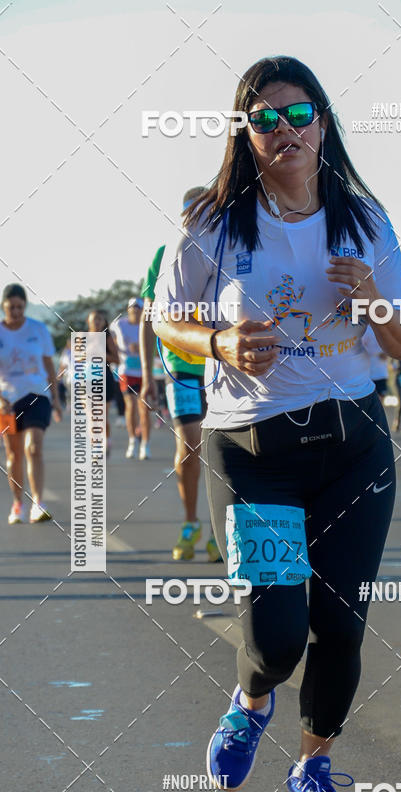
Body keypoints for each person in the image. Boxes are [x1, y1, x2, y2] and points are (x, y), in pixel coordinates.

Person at [154, 55, 401, 792]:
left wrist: (369, 297)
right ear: (246, 134)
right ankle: (252, 696)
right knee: (276, 638)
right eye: (264, 120)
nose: (284, 131)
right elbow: (167, 317)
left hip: (354, 447)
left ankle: (314, 769)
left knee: (339, 621)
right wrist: (220, 344)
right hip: (253, 453)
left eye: (298, 115)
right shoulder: (214, 220)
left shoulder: (364, 220)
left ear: (323, 125)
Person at [139, 187, 221, 562]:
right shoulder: (164, 255)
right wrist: (145, 373)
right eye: (190, 214)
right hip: (182, 368)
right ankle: (191, 523)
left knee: (225, 451)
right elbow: (147, 320)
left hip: (223, 367)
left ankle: (223, 529)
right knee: (189, 446)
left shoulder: (229, 247)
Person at [0, 283, 61, 523]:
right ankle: (17, 504)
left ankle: (38, 502)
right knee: (13, 455)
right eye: (11, 307)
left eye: (20, 307)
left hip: (37, 395)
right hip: (7, 401)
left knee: (33, 448)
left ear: (25, 306)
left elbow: (48, 365)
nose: (15, 311)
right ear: (4, 306)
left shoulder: (38, 329)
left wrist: (56, 398)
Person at [111, 298, 151, 459]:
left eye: (138, 308)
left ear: (142, 310)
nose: (134, 311)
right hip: (126, 371)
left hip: (145, 372)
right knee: (131, 406)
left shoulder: (148, 325)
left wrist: (142, 348)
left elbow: (156, 344)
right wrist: (117, 352)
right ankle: (133, 441)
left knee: (144, 409)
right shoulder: (119, 324)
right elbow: (109, 340)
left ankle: (145, 444)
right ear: (128, 310)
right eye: (131, 308)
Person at [86, 310, 119, 457]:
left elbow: (117, 359)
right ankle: (95, 446)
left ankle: (107, 440)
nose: (97, 322)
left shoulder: (106, 337)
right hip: (86, 379)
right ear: (89, 322)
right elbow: (76, 358)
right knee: (91, 416)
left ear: (104, 322)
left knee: (100, 416)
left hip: (104, 378)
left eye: (99, 319)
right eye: (94, 319)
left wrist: (102, 354)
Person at [361, 326, 389, 400]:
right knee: (373, 400)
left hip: (382, 373)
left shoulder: (386, 329)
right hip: (370, 374)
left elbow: (391, 347)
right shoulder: (366, 329)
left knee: (381, 399)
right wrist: (377, 353)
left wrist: (387, 353)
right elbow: (359, 347)